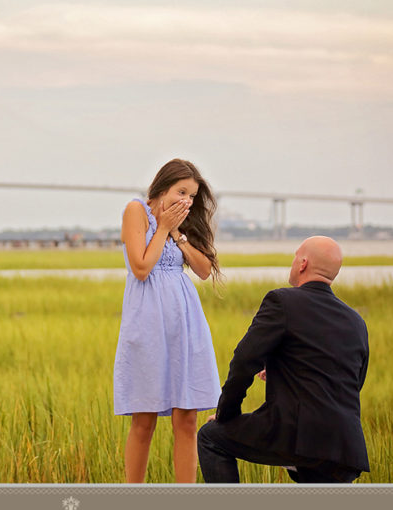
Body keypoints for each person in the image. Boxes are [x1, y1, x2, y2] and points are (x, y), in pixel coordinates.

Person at [197, 236, 370, 483]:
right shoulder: (356, 321)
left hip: (296, 435)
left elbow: (244, 360)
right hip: (345, 446)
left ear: (302, 264)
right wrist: (282, 369)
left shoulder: (282, 301)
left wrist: (226, 414)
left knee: (211, 437)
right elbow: (352, 381)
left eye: (294, 256)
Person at [114, 158, 223, 483]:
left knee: (186, 419)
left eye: (192, 195)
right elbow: (141, 268)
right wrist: (161, 227)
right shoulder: (136, 210)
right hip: (147, 321)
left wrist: (178, 232)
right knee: (143, 418)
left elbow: (204, 270)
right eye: (181, 191)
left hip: (185, 321)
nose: (187, 201)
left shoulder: (183, 222)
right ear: (163, 185)